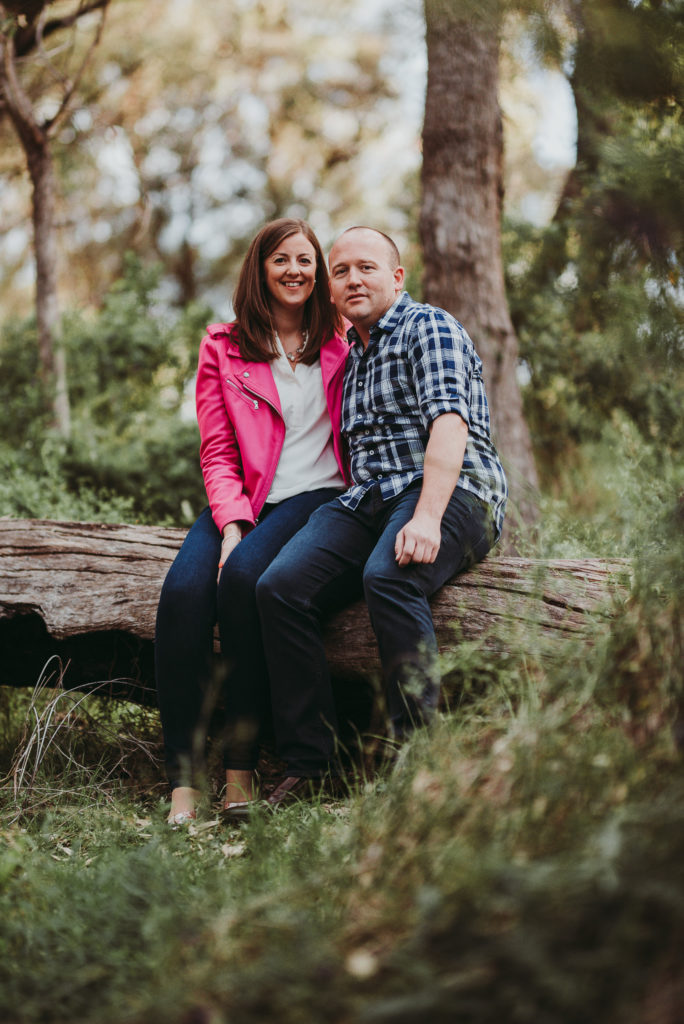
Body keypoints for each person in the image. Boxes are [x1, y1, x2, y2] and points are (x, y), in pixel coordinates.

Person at [256, 226, 508, 807]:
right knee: (279, 588)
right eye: (340, 271)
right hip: (369, 499)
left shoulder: (429, 326)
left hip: (455, 490)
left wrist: (425, 518)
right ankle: (311, 763)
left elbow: (449, 424)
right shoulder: (354, 353)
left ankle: (418, 761)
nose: (351, 280)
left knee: (387, 576)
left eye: (366, 268)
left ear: (397, 277)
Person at [155, 218, 350, 826]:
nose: (296, 270)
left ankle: (242, 766)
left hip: (316, 496)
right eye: (281, 259)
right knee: (184, 594)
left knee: (240, 583)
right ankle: (184, 780)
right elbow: (216, 450)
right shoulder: (223, 344)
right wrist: (234, 521)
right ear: (259, 269)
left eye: (306, 259)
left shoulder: (344, 337)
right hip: (247, 497)